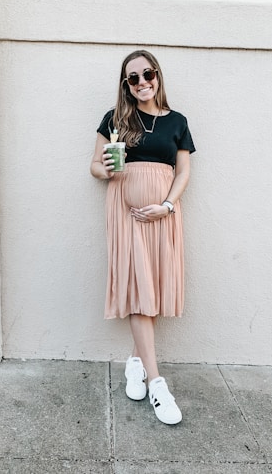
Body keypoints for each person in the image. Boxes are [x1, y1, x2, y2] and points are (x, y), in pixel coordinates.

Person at [90, 50, 195, 425]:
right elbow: (94, 165)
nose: (142, 82)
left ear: (157, 75)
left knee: (152, 291)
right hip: (126, 213)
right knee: (138, 292)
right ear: (126, 85)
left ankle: (134, 362)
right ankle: (157, 384)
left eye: (147, 74)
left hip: (163, 215)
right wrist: (104, 168)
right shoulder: (116, 118)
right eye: (132, 78)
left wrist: (166, 205)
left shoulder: (178, 121)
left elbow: (182, 173)